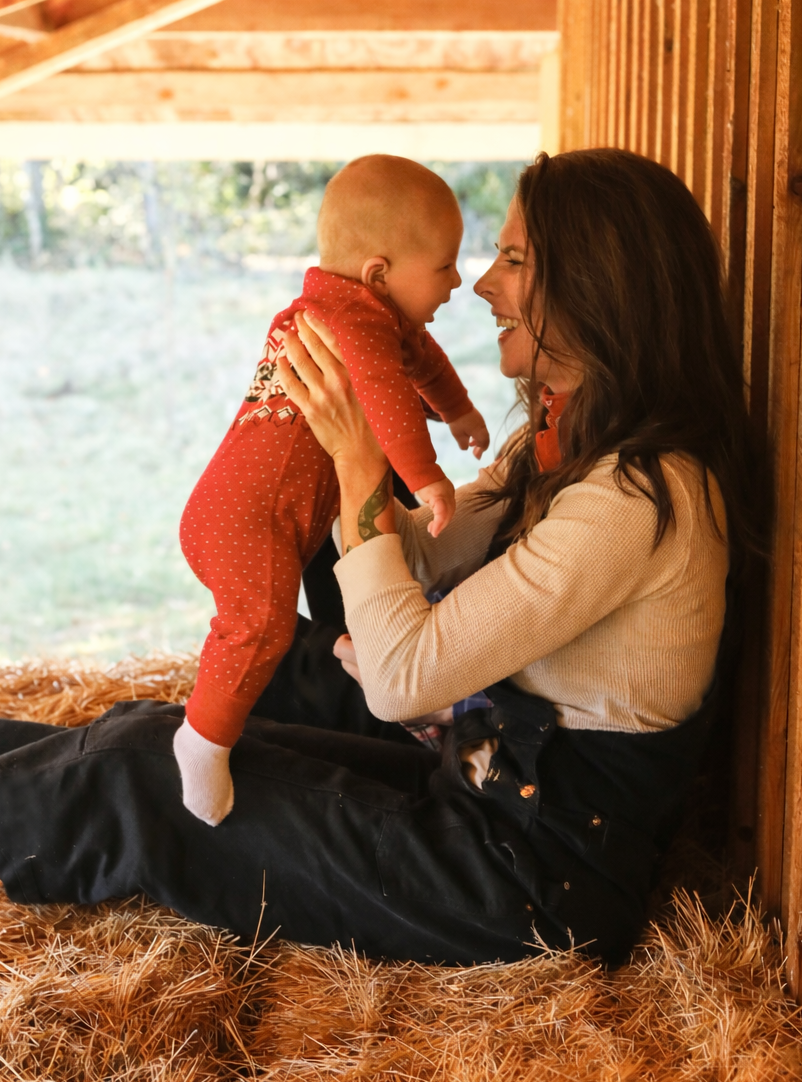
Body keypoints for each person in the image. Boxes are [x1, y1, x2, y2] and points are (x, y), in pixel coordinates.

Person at [0, 150, 758, 968]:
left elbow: (403, 679)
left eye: (512, 259)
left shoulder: (636, 498)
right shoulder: (568, 442)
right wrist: (306, 455)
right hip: (484, 774)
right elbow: (426, 557)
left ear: (595, 284)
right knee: (202, 704)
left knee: (138, 777)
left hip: (531, 877)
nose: (480, 286)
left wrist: (361, 467)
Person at [175, 155, 489, 826]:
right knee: (255, 627)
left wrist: (458, 409)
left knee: (278, 626)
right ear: (380, 273)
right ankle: (200, 742)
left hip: (244, 513)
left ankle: (316, 671)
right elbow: (385, 399)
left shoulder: (363, 311)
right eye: (445, 266)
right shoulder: (347, 321)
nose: (458, 281)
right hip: (245, 520)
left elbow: (421, 361)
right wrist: (428, 475)